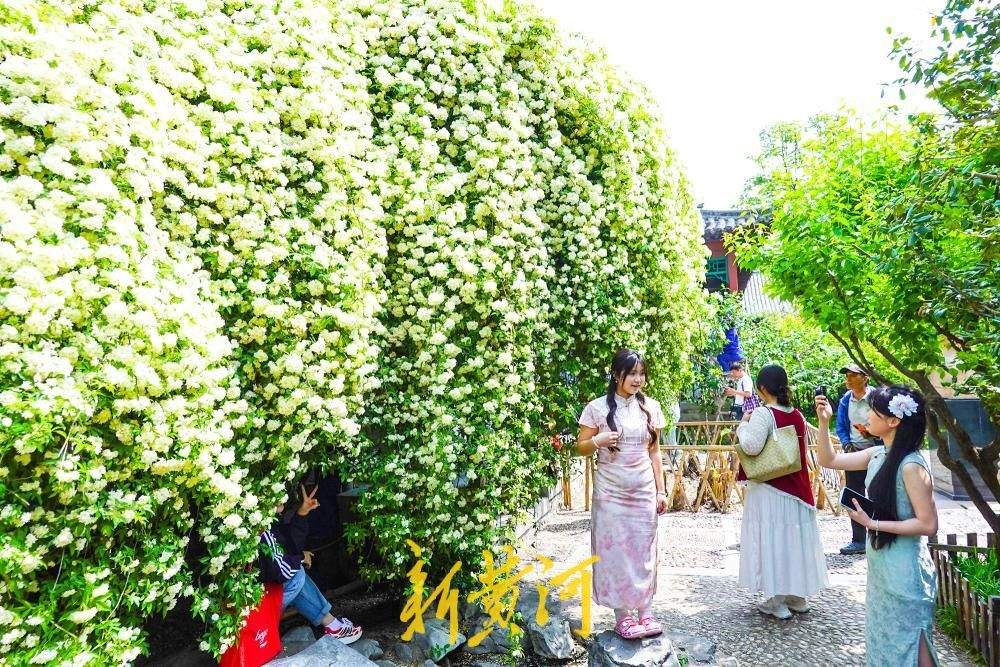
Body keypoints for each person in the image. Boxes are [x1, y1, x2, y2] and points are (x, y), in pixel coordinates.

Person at [815, 385, 939, 666]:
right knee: (886, 643)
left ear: (893, 421)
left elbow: (928, 524)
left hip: (906, 571)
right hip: (883, 566)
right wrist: (824, 422)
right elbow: (829, 460)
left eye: (874, 410)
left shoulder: (911, 466)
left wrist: (874, 523)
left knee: (912, 647)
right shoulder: (877, 454)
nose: (867, 415)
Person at [576, 349, 667, 640]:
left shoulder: (651, 407)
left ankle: (646, 612)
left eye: (642, 373)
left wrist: (662, 491)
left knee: (644, 551)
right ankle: (622, 616)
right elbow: (580, 447)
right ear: (617, 374)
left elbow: (655, 453)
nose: (638, 379)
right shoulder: (596, 407)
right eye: (632, 373)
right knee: (615, 552)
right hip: (610, 492)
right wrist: (598, 440)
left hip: (643, 489)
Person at [735, 364, 828, 620]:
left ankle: (776, 600)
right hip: (797, 490)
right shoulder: (796, 414)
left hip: (771, 489)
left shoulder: (765, 414)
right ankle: (796, 596)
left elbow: (751, 447)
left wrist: (742, 426)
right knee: (792, 542)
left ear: (762, 388)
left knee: (773, 541)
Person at [260, 485, 362, 644]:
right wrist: (301, 558)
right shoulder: (259, 528)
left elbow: (288, 545)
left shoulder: (269, 522)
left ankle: (332, 624)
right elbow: (283, 571)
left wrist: (302, 512)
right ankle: (332, 625)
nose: (284, 498)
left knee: (296, 575)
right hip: (256, 605)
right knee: (295, 575)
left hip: (265, 594)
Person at [836, 363, 880, 555]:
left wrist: (872, 434)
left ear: (865, 377)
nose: (849, 379)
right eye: (847, 375)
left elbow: (886, 423)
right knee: (854, 496)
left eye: (853, 375)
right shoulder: (846, 400)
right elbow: (841, 426)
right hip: (854, 453)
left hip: (877, 452)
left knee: (879, 494)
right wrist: (846, 444)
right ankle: (858, 539)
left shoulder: (876, 398)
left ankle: (881, 535)